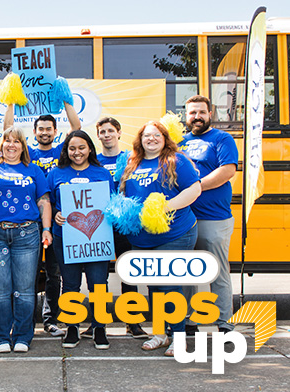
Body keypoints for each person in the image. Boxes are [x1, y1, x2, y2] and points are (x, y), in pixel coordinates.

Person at [0, 127, 52, 354]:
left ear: (23, 146)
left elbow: (43, 200)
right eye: (7, 141)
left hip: (27, 234)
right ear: (2, 145)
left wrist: (46, 228)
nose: (11, 145)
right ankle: (2, 337)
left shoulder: (33, 169)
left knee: (25, 290)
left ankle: (23, 336)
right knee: (0, 289)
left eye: (17, 142)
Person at [120, 121, 201, 357]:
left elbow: (194, 189)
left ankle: (178, 337)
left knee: (170, 285)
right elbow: (126, 194)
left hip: (176, 232)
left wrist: (165, 207)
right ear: (140, 139)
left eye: (157, 135)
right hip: (143, 236)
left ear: (165, 138)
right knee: (153, 286)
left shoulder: (176, 160)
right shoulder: (132, 163)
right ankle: (160, 333)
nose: (152, 139)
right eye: (147, 135)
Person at [2, 101, 81, 337]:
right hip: (28, 222)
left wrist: (65, 100)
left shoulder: (61, 153)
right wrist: (10, 102)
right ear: (34, 132)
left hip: (57, 222)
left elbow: (76, 129)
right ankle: (24, 322)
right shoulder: (28, 155)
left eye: (49, 129)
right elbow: (7, 129)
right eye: (41, 129)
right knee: (26, 274)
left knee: (53, 273)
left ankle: (50, 320)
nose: (45, 132)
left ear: (55, 132)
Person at [47, 130, 114, 350]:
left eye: (82, 147)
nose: (77, 152)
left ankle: (99, 327)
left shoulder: (102, 173)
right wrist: (56, 214)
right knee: (70, 284)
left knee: (98, 284)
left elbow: (111, 204)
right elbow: (50, 203)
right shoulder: (56, 173)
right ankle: (72, 326)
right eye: (72, 148)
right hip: (65, 237)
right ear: (66, 151)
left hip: (97, 236)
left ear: (90, 149)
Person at [179, 95, 238, 335]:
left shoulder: (222, 139)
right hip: (185, 219)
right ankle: (189, 322)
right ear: (186, 116)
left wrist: (196, 187)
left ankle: (225, 323)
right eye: (192, 113)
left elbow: (227, 171)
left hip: (214, 218)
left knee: (217, 270)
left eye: (201, 112)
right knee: (187, 272)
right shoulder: (180, 142)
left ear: (210, 114)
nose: (197, 117)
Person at [95, 117, 149, 340]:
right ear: (98, 136)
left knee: (128, 272)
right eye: (102, 132)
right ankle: (98, 323)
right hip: (98, 225)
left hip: (124, 224)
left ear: (118, 133)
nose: (106, 135)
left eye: (110, 131)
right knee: (98, 276)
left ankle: (133, 321)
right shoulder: (94, 161)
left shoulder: (131, 159)